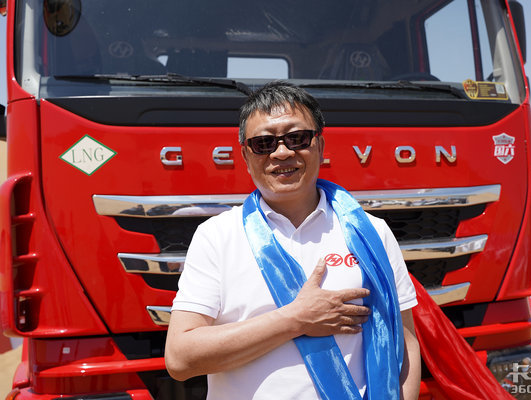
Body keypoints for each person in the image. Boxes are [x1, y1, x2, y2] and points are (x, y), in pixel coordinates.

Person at [165, 81, 421, 399]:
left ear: (320, 146)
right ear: (245, 155)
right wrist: (296, 318)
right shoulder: (216, 236)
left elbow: (404, 343)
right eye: (264, 143)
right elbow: (180, 358)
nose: (282, 152)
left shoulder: (372, 232)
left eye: (297, 138)